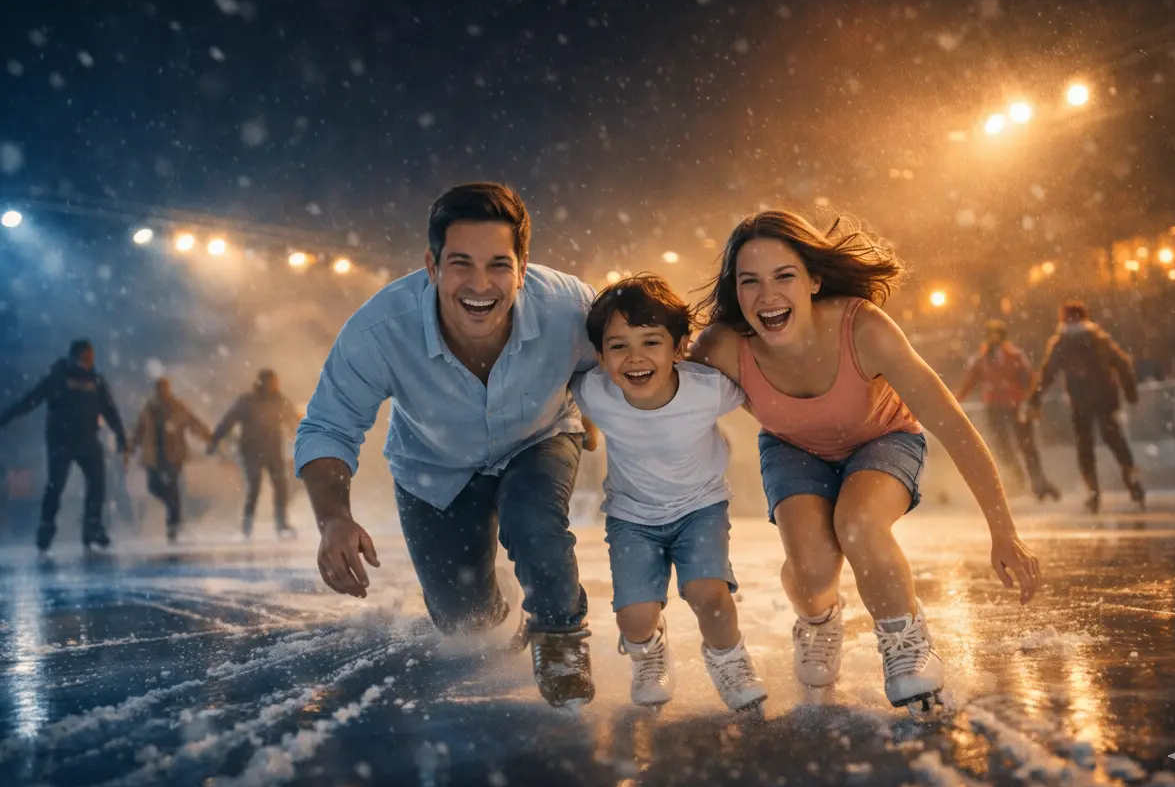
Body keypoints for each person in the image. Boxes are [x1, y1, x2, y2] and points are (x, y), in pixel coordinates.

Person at [692, 211, 1040, 716]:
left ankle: (906, 639)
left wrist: (1003, 530)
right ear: (736, 290)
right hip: (793, 449)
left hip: (883, 439)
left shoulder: (863, 328)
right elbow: (656, 394)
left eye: (784, 276)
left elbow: (952, 423)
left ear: (813, 280)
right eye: (750, 281)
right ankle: (817, 621)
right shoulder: (721, 348)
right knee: (812, 573)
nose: (767, 296)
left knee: (857, 524)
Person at [295, 182, 600, 709]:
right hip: (432, 465)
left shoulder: (570, 308)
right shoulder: (381, 329)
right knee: (465, 621)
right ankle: (499, 609)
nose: (480, 285)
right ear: (432, 266)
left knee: (533, 522)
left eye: (499, 265)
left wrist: (594, 405)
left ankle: (560, 638)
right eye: (461, 264)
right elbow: (327, 425)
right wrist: (334, 520)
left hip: (539, 438)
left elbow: (626, 360)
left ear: (523, 269)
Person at [573, 274, 767, 712]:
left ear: (679, 348)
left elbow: (762, 396)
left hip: (700, 506)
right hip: (632, 518)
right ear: (600, 356)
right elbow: (567, 398)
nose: (635, 357)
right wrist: (587, 432)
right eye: (618, 346)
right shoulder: (594, 391)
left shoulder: (708, 389)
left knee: (709, 594)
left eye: (651, 342)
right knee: (634, 617)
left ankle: (729, 658)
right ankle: (649, 651)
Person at [0, 339, 127, 551]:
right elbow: (32, 399)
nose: (89, 360)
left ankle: (92, 526)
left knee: (97, 483)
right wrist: (6, 417)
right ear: (76, 356)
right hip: (62, 441)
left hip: (87, 440)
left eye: (91, 356)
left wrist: (121, 435)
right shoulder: (59, 377)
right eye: (86, 356)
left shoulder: (95, 381)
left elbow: (109, 410)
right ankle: (46, 527)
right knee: (56, 485)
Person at [1027, 302, 1145, 514]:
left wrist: (1034, 399)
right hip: (1103, 398)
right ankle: (1131, 483)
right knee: (1115, 442)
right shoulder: (1097, 338)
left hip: (1084, 401)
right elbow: (1122, 363)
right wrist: (1130, 391)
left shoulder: (1062, 342)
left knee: (1087, 447)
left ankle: (1095, 492)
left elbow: (1047, 374)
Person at [954, 320, 1060, 502]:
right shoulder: (981, 359)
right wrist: (954, 401)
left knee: (1026, 444)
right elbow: (969, 382)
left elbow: (1029, 380)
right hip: (994, 406)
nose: (994, 338)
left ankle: (1038, 482)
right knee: (1002, 446)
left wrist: (1031, 401)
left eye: (997, 334)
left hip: (1016, 404)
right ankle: (1016, 480)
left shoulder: (1015, 356)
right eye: (991, 335)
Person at [210, 369, 302, 539]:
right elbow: (228, 421)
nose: (273, 385)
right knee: (254, 488)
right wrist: (215, 439)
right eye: (271, 382)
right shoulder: (248, 402)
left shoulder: (279, 401)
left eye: (275, 382)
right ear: (263, 382)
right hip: (252, 451)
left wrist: (304, 434)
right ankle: (247, 526)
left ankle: (281, 524)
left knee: (280, 487)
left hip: (273, 450)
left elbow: (294, 420)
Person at [130, 377, 213, 542]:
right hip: (153, 456)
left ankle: (173, 527)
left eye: (164, 389)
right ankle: (174, 514)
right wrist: (130, 446)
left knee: (173, 488)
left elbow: (194, 424)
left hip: (173, 455)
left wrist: (210, 438)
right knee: (154, 487)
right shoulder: (149, 408)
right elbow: (139, 430)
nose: (163, 392)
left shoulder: (178, 408)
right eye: (160, 389)